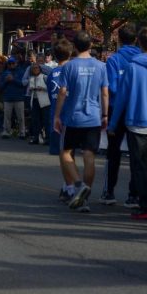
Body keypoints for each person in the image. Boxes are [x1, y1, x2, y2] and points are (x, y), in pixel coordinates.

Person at [110, 26, 147, 220]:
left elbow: (122, 98)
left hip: (136, 120)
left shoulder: (133, 67)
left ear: (139, 43)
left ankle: (145, 203)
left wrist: (113, 123)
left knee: (139, 165)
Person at [53, 31, 109, 212]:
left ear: (74, 47)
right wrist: (105, 114)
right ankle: (85, 195)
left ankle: (78, 185)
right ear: (91, 46)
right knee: (89, 155)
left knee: (66, 152)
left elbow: (62, 92)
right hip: (93, 116)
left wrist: (57, 115)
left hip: (73, 116)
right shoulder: (101, 66)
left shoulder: (69, 66)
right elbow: (105, 92)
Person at [104, 24, 142, 206]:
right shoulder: (142, 59)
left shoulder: (114, 60)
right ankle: (133, 194)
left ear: (118, 39)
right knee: (136, 153)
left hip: (116, 109)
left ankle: (109, 191)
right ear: (135, 40)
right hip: (137, 108)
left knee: (113, 153)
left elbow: (111, 87)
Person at [1, 57, 27, 139]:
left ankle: (22, 132)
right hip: (8, 97)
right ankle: (6, 131)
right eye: (9, 63)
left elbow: (23, 84)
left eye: (13, 63)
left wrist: (13, 80)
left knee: (20, 117)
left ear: (16, 63)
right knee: (7, 116)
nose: (11, 65)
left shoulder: (21, 72)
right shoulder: (5, 73)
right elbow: (0, 87)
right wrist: (6, 81)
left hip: (19, 97)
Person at [26, 61, 49, 144]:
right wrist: (31, 89)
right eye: (33, 68)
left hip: (44, 101)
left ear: (40, 69)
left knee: (46, 120)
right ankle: (36, 137)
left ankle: (48, 138)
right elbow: (28, 90)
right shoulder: (31, 78)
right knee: (35, 120)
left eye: (36, 68)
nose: (35, 69)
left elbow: (50, 88)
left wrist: (43, 88)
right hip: (35, 100)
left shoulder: (44, 77)